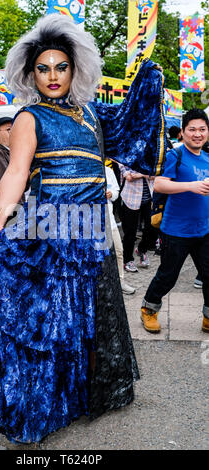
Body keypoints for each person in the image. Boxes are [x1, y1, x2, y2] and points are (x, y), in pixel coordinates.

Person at [0, 15, 165, 443]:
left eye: (61, 66)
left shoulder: (92, 111)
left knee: (88, 320)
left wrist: (149, 82)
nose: (52, 76)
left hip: (92, 231)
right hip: (52, 230)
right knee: (50, 324)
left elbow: (131, 124)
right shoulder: (28, 118)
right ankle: (37, 406)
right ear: (29, 73)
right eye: (43, 68)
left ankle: (81, 397)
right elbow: (16, 174)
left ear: (76, 69)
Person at [141, 108, 209, 334]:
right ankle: (149, 310)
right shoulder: (175, 155)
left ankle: (208, 317)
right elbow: (159, 185)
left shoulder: (208, 158)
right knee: (168, 276)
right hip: (176, 231)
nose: (197, 134)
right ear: (183, 132)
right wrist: (191, 186)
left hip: (204, 230)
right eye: (192, 129)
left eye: (202, 129)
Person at [119, 164, 158, 272]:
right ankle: (127, 260)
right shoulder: (129, 151)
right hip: (130, 197)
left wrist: (139, 174)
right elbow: (128, 175)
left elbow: (156, 173)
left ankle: (141, 250)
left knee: (152, 226)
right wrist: (143, 174)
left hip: (149, 196)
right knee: (130, 231)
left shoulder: (150, 152)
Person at [105, 165, 135, 295]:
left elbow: (116, 191)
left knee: (118, 251)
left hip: (109, 219)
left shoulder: (107, 171)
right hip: (90, 220)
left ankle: (120, 282)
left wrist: (111, 194)